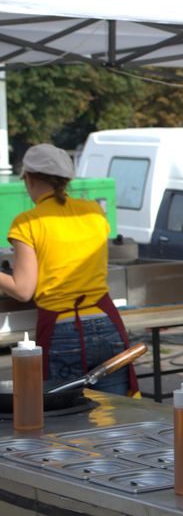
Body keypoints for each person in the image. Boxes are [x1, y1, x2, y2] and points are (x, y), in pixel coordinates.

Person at [0, 144, 137, 395]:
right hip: (107, 324)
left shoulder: (27, 222)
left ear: (29, 179)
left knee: (69, 414)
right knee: (116, 411)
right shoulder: (94, 211)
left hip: (63, 331)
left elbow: (23, 290)